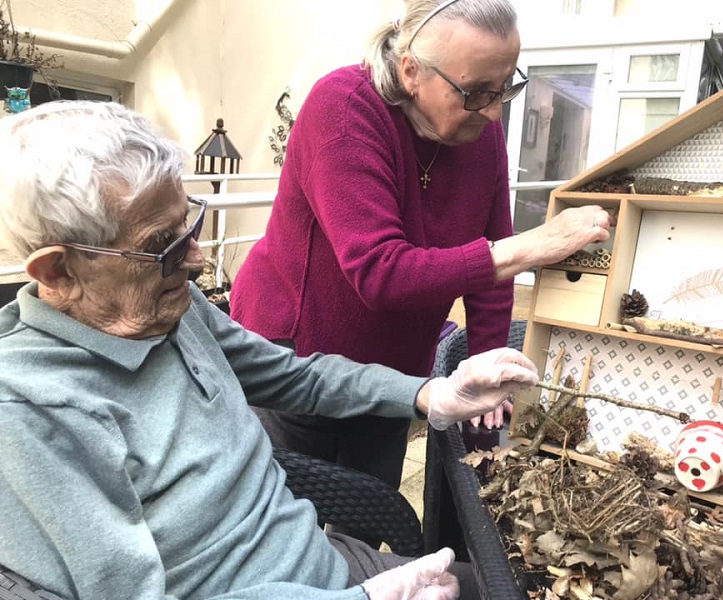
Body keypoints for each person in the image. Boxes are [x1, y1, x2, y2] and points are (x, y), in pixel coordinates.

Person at [0, 100, 540, 600]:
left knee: (522, 585)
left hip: (323, 560)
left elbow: (292, 376)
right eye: (160, 246)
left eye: (187, 222)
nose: (197, 261)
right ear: (58, 269)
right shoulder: (30, 413)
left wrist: (429, 393)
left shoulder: (168, 307)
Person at [230, 0, 612, 502]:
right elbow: (379, 272)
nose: (494, 111)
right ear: (411, 70)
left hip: (394, 370)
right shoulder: (344, 108)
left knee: (371, 508)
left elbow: (490, 262)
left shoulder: (482, 129)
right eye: (476, 92)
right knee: (290, 515)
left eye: (505, 89)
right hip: (297, 356)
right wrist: (532, 247)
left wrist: (487, 365)